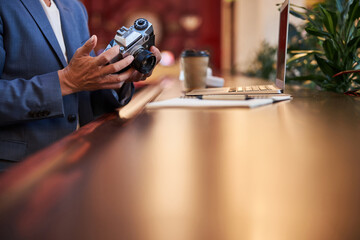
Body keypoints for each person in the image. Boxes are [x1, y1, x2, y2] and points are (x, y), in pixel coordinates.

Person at [0, 0, 161, 171]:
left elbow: (85, 90)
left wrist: (119, 76)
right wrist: (65, 82)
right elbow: (73, 80)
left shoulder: (75, 8)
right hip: (22, 170)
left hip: (79, 162)